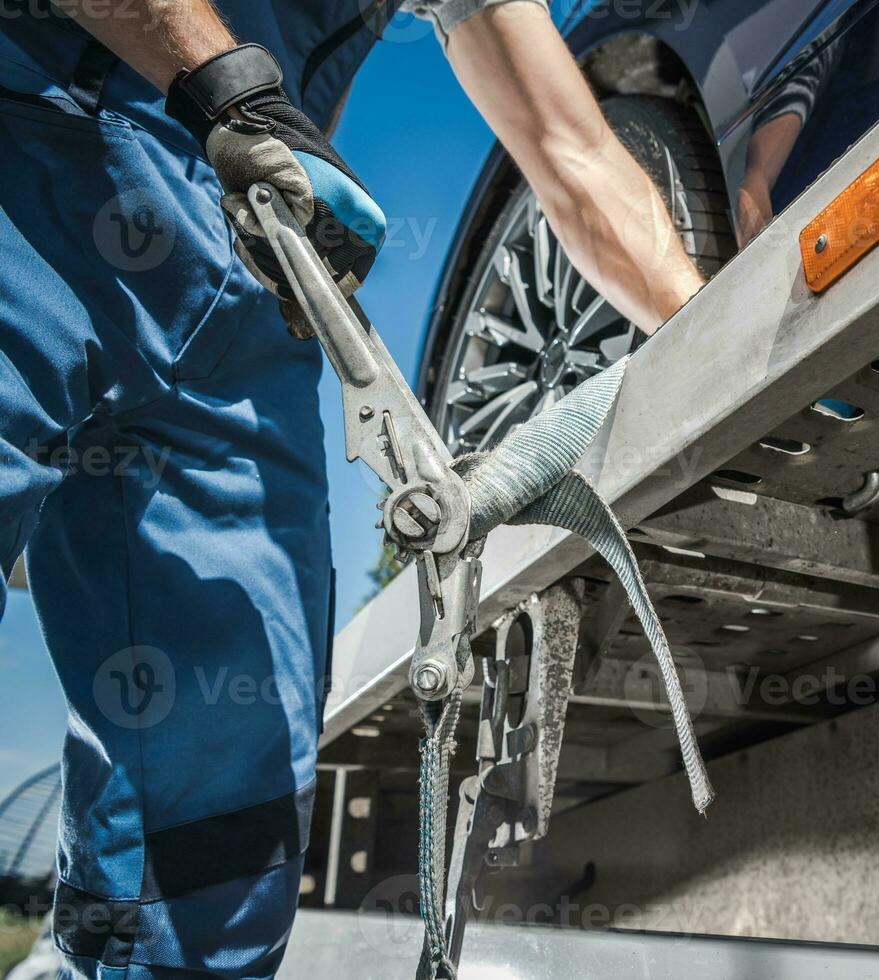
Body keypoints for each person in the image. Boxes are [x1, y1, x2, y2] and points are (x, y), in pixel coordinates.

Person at [0, 0, 704, 976]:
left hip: (244, 290)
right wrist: (223, 83)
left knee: (214, 863)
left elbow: (570, 146)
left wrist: (726, 344)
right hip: (37, 145)